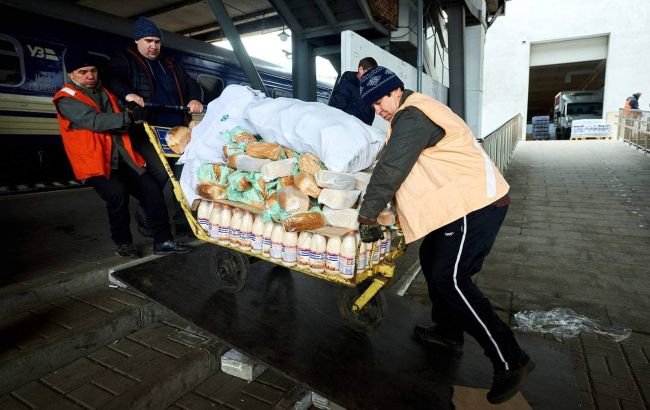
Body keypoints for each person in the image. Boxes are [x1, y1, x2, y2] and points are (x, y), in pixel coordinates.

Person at [357, 66, 534, 405]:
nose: (377, 110)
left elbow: (393, 167)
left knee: (451, 279)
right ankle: (448, 331)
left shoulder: (412, 116)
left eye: (380, 101)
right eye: (372, 105)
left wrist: (368, 214)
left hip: (474, 205)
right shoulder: (411, 112)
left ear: (396, 91)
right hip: (462, 203)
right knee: (431, 258)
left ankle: (511, 359)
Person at [53, 48, 191, 258]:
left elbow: (121, 119)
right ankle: (124, 243)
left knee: (152, 190)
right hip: (96, 163)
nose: (90, 76)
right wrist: (128, 118)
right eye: (83, 72)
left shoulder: (105, 92)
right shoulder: (65, 99)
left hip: (123, 158)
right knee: (117, 194)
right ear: (71, 74)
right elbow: (95, 121)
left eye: (93, 71)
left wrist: (132, 114)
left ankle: (163, 240)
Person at [107, 16, 204, 235]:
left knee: (185, 175)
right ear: (137, 41)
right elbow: (112, 78)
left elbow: (192, 84)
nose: (153, 46)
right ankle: (147, 212)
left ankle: (184, 222)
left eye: (157, 41)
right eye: (148, 41)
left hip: (178, 131)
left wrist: (195, 98)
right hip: (147, 131)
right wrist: (128, 93)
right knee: (159, 173)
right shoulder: (125, 59)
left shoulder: (170, 64)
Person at [328, 57, 377, 125]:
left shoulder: (369, 89)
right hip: (347, 130)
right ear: (361, 69)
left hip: (363, 131)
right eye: (369, 73)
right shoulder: (346, 85)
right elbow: (335, 111)